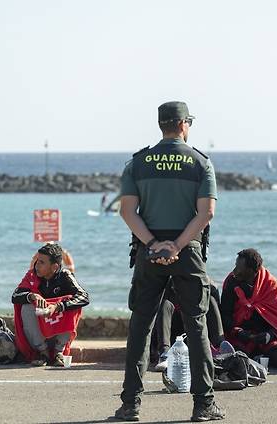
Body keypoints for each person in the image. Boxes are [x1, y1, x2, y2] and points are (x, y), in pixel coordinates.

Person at [115, 101, 223, 422]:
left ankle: (130, 404)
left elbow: (127, 212)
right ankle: (203, 405)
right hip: (186, 250)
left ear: (161, 124)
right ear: (184, 124)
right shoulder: (200, 163)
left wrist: (153, 244)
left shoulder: (138, 163)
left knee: (141, 326)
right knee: (196, 324)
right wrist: (176, 245)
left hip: (149, 251)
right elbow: (206, 213)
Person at [12, 243, 89, 366]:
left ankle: (59, 353)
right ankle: (43, 354)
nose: (37, 265)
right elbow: (15, 296)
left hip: (57, 335)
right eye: (37, 261)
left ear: (54, 267)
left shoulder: (65, 276)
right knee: (26, 306)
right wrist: (32, 296)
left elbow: (84, 297)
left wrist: (57, 307)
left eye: (42, 262)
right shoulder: (31, 275)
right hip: (39, 339)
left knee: (71, 302)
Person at [220, 248, 277, 369]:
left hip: (264, 335)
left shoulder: (271, 285)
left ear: (251, 271)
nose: (234, 271)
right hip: (241, 334)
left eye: (239, 268)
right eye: (235, 266)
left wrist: (270, 334)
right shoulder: (231, 282)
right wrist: (239, 332)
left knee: (275, 351)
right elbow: (225, 314)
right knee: (237, 352)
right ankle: (244, 362)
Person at [153, 279, 225, 372]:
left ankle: (220, 347)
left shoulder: (202, 282)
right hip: (175, 339)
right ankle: (165, 355)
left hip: (195, 334)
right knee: (165, 304)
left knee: (210, 299)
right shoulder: (167, 285)